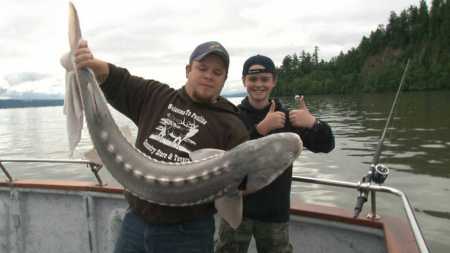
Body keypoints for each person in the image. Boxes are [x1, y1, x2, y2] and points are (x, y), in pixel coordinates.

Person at [74, 40, 249, 253]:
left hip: (188, 234)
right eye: (202, 68)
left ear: (223, 79)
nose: (209, 75)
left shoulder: (232, 125)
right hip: (135, 223)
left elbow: (240, 184)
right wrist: (89, 62)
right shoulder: (156, 96)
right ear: (188, 70)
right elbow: (117, 79)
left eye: (217, 72)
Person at [215, 55, 335, 253]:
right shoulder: (233, 116)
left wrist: (314, 123)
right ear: (244, 81)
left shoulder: (290, 118)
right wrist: (260, 129)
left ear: (274, 82)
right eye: (253, 79)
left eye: (265, 79)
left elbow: (327, 145)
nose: (259, 85)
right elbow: (225, 157)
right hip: (236, 208)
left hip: (274, 212)